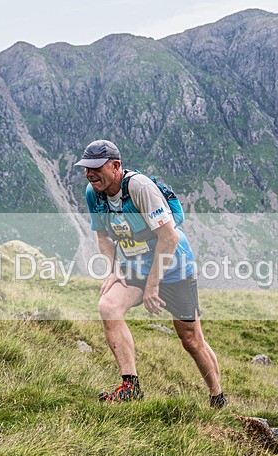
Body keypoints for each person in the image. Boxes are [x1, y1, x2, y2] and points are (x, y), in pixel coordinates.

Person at [75, 139, 227, 408]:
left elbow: (168, 238)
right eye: (86, 167)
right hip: (135, 265)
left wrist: (153, 286)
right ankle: (130, 386)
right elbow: (103, 238)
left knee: (191, 339)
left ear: (115, 166)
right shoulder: (93, 193)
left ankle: (217, 397)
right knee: (108, 305)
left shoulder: (140, 188)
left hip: (174, 268)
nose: (90, 173)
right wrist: (113, 271)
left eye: (96, 167)